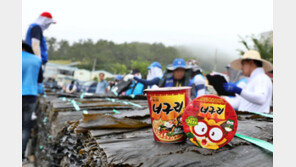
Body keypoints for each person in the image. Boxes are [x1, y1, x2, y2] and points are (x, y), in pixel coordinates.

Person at [22, 41, 43, 160]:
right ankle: (21, 156)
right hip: (30, 96)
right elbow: (39, 79)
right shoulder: (36, 60)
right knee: (25, 127)